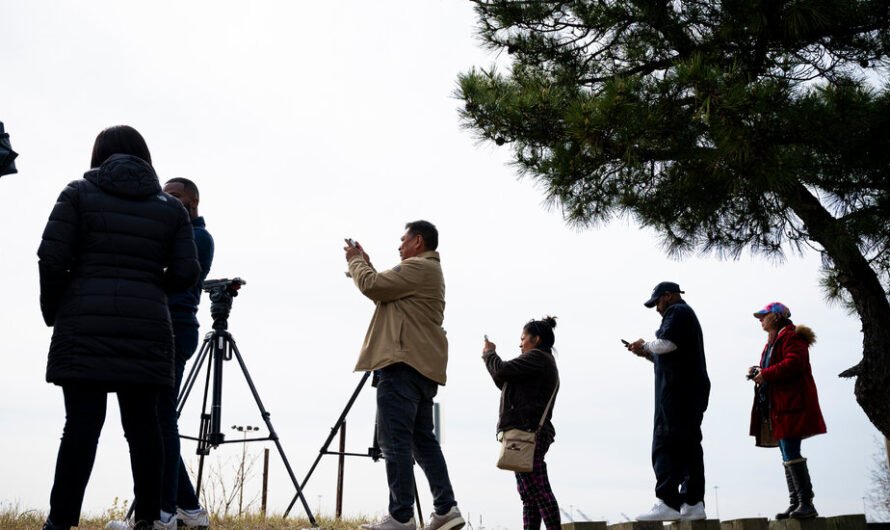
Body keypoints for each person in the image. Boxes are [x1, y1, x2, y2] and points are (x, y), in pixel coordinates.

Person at [38, 125, 200, 530]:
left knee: (80, 428)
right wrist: (147, 288)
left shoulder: (76, 194)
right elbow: (186, 272)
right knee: (145, 430)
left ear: (100, 155)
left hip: (83, 324)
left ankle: (59, 523)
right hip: (147, 328)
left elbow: (51, 259)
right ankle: (148, 519)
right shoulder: (171, 208)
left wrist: (57, 308)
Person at [344, 221, 465, 530]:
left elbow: (372, 286)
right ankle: (446, 508)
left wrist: (357, 262)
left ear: (418, 241)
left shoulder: (419, 267)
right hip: (421, 367)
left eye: (403, 240)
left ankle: (401, 515)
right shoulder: (426, 272)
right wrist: (366, 264)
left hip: (401, 365)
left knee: (393, 439)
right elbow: (383, 290)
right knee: (422, 440)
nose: (398, 246)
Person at [627, 281, 710, 522]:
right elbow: (670, 354)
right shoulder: (686, 316)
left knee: (665, 441)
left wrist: (645, 344)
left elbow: (667, 344)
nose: (657, 309)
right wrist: (646, 353)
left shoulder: (678, 311)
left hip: (677, 392)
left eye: (657, 302)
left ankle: (668, 501)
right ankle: (693, 503)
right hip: (690, 389)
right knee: (689, 445)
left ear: (669, 296)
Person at [747, 302, 826, 520]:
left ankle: (806, 503)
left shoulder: (791, 337)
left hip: (791, 404)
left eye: (764, 315)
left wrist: (767, 374)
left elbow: (794, 363)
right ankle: (796, 503)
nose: (760, 319)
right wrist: (759, 371)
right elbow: (779, 366)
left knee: (790, 452)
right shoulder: (774, 340)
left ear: (777, 317)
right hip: (780, 406)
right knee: (786, 453)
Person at [482, 317, 561, 530]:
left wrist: (489, 353)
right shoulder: (540, 362)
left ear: (536, 339)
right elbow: (505, 379)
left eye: (523, 338)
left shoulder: (538, 357)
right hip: (527, 432)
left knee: (538, 491)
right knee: (529, 494)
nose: (520, 344)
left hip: (528, 433)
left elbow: (501, 370)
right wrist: (492, 360)